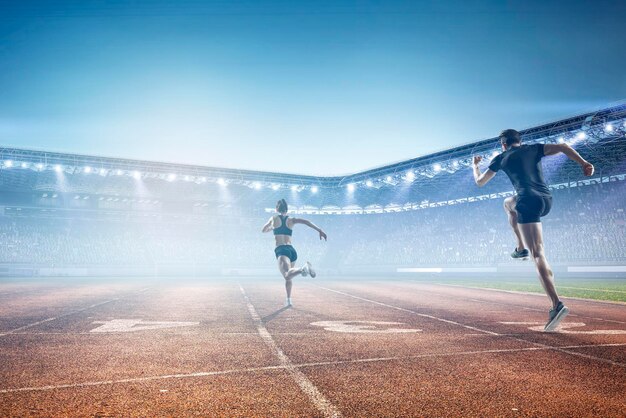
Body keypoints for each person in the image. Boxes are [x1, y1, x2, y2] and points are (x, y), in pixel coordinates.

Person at [472, 129, 594, 331]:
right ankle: (520, 247)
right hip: (546, 200)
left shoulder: (501, 158)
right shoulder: (534, 148)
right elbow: (563, 147)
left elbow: (480, 182)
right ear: (520, 141)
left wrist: (475, 166)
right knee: (507, 204)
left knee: (538, 254)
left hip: (527, 201)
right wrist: (584, 163)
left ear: (503, 144)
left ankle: (556, 304)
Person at [262, 198, 327, 307]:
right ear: (286, 209)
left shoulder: (273, 219)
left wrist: (272, 228)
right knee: (290, 275)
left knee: (287, 275)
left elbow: (263, 230)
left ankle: (303, 269)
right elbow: (307, 222)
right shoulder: (291, 220)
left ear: (276, 208)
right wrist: (319, 230)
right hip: (292, 251)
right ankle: (288, 300)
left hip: (281, 250)